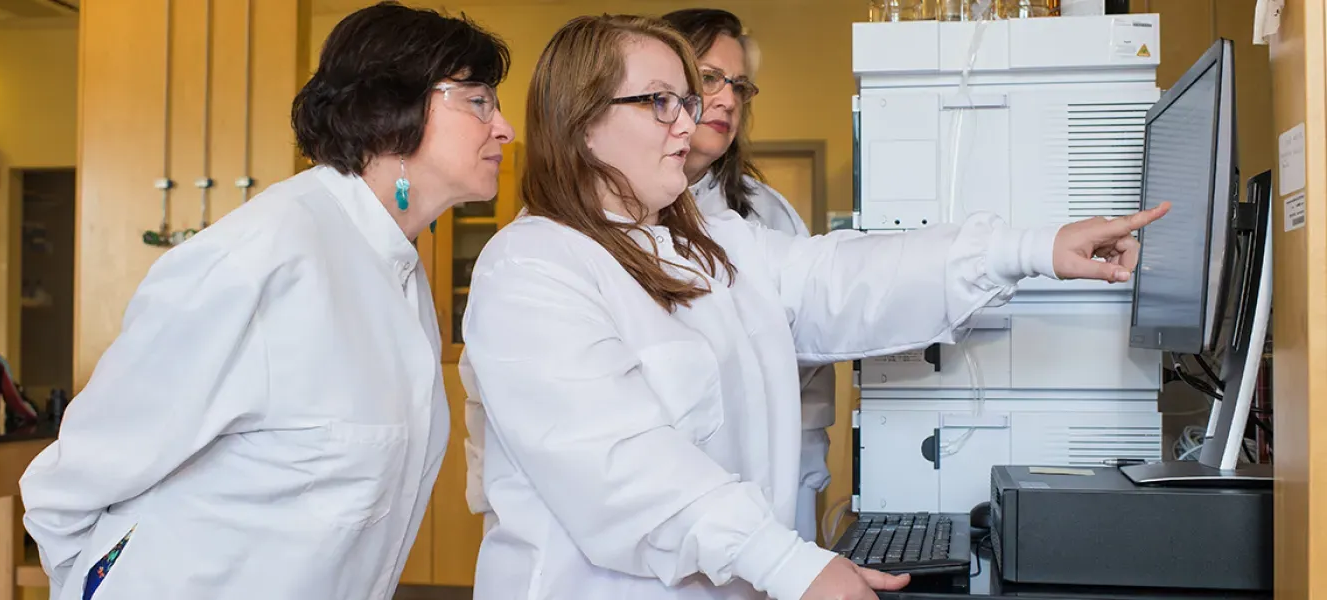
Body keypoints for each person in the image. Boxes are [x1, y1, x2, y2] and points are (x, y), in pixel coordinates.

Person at [458, 12, 1168, 600]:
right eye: (660, 102)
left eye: (689, 101)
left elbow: (847, 274)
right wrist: (788, 563)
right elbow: (623, 468)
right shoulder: (534, 268)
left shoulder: (709, 243)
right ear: (581, 122)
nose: (689, 124)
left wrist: (1035, 246)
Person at [16, 3, 514, 599]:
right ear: (391, 109)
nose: (504, 126)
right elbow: (78, 478)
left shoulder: (393, 267)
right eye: (479, 100)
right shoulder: (263, 257)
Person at [661, 7, 836, 545]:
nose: (729, 99)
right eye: (709, 78)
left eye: (739, 85)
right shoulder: (589, 214)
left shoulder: (766, 212)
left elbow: (820, 326)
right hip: (664, 489)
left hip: (773, 480)